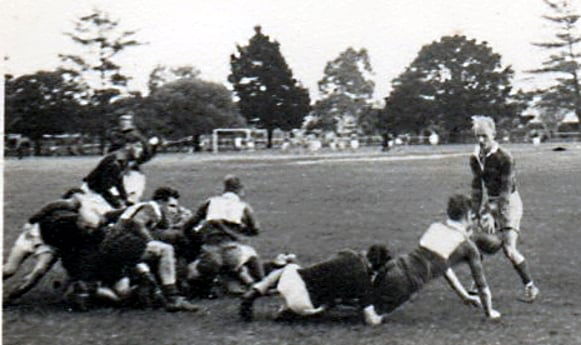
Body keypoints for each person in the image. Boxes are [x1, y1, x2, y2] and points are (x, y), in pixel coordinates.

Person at [241, 194, 501, 325]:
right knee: (367, 314)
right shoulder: (467, 246)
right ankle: (300, 312)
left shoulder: (435, 227)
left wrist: (463, 296)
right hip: (406, 283)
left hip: (395, 266)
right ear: (467, 215)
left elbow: (440, 264)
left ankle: (286, 302)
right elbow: (481, 283)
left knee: (356, 296)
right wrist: (489, 311)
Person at [66, 187, 199, 312]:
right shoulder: (151, 207)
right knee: (166, 250)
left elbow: (109, 217)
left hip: (112, 247)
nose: (174, 210)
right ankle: (172, 297)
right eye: (171, 206)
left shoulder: (142, 208)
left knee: (123, 292)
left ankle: (87, 289)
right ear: (160, 202)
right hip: (122, 243)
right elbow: (138, 223)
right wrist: (150, 241)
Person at [469, 115, 539, 302]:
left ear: (494, 133)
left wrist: (492, 213)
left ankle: (530, 286)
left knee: (509, 250)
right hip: (491, 202)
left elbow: (505, 191)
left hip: (509, 204)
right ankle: (477, 285)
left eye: (484, 135)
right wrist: (475, 213)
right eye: (478, 136)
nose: (481, 140)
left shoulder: (505, 157)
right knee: (480, 244)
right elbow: (476, 187)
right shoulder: (475, 156)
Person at [239, 245, 390, 325]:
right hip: (304, 304)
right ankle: (290, 312)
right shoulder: (363, 282)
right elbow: (371, 320)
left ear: (366, 252)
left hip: (292, 281)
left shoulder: (347, 253)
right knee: (330, 304)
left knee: (288, 268)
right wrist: (382, 316)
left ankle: (255, 291)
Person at [182, 175, 263, 298]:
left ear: (224, 188)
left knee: (200, 267)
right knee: (251, 253)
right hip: (231, 254)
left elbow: (189, 225)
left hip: (209, 253)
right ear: (240, 189)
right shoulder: (243, 206)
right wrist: (239, 230)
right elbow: (256, 230)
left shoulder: (210, 202)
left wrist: (196, 236)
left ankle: (206, 287)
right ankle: (261, 284)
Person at [3, 188, 88, 302]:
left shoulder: (78, 221)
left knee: (39, 270)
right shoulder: (57, 206)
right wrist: (29, 227)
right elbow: (33, 219)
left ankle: (10, 297)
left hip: (50, 244)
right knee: (9, 269)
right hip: (34, 235)